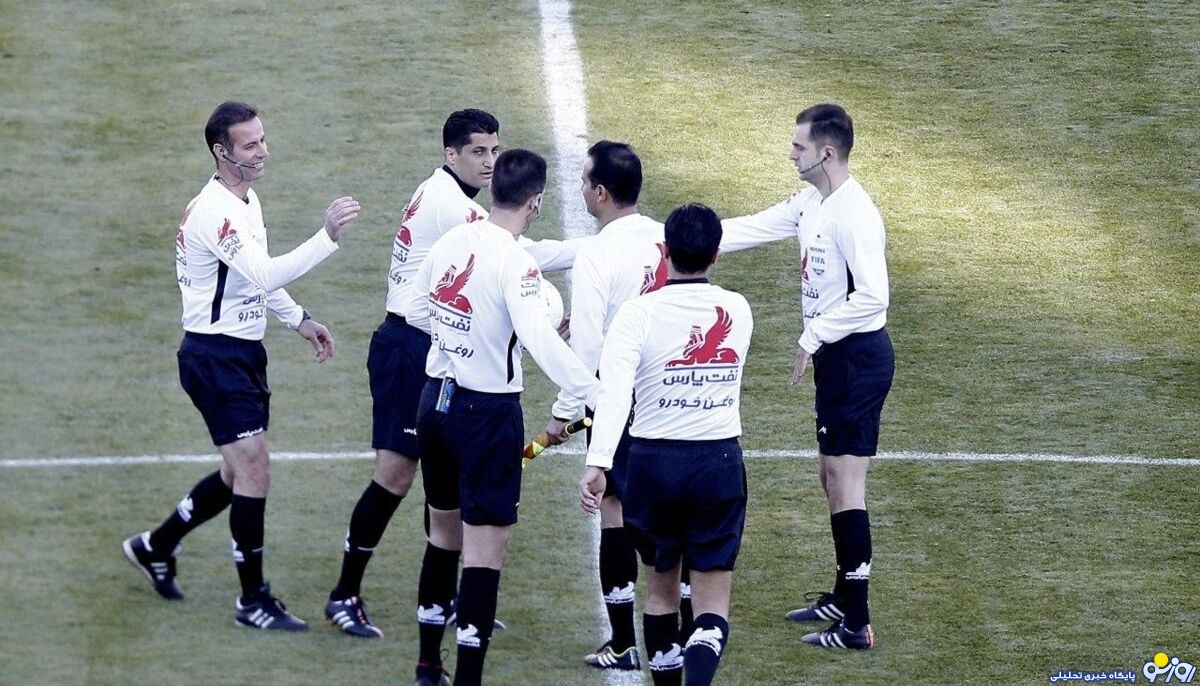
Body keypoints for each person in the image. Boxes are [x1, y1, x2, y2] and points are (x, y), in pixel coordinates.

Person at [323, 109, 578, 640]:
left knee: (445, 487)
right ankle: (344, 593)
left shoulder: (446, 193)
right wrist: (602, 249)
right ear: (450, 154)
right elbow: (522, 253)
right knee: (395, 476)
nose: (489, 162)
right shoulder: (453, 207)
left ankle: (447, 597)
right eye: (478, 151)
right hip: (410, 347)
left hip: (429, 343)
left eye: (494, 151)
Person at [122, 100, 360, 631]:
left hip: (242, 354)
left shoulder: (245, 199)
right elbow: (266, 272)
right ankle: (253, 600)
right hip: (214, 358)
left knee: (236, 473)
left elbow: (253, 281)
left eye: (262, 140)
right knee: (254, 470)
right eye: (250, 145)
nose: (262, 151)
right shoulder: (218, 212)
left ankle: (155, 546)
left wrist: (300, 320)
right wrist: (326, 236)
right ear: (221, 151)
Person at [405, 149, 599, 686]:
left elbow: (416, 308)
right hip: (486, 414)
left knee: (442, 537)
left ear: (494, 191)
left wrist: (462, 339)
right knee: (484, 555)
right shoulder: (517, 262)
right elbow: (540, 340)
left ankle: (427, 667)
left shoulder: (452, 240)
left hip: (435, 403)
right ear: (536, 202)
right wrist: (595, 393)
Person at [719, 103, 893, 650]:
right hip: (838, 360)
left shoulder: (853, 213)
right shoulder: (812, 201)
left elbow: (874, 296)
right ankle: (843, 596)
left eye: (798, 146)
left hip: (857, 359)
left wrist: (812, 335)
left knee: (846, 482)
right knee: (830, 476)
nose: (790, 153)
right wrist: (679, 237)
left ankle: (857, 623)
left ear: (827, 152)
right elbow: (751, 228)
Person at [580, 203, 753, 686]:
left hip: (652, 466)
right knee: (710, 605)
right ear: (716, 254)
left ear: (664, 251)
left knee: (660, 593)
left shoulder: (637, 314)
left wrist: (598, 463)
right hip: (716, 462)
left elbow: (614, 394)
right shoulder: (738, 309)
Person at [543, 140, 670, 671]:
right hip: (673, 397)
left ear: (600, 193)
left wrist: (562, 411)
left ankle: (621, 644)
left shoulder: (596, 254)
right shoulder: (665, 237)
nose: (579, 189)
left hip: (620, 401)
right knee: (669, 517)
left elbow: (589, 348)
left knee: (613, 509)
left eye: (583, 181)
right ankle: (680, 639)